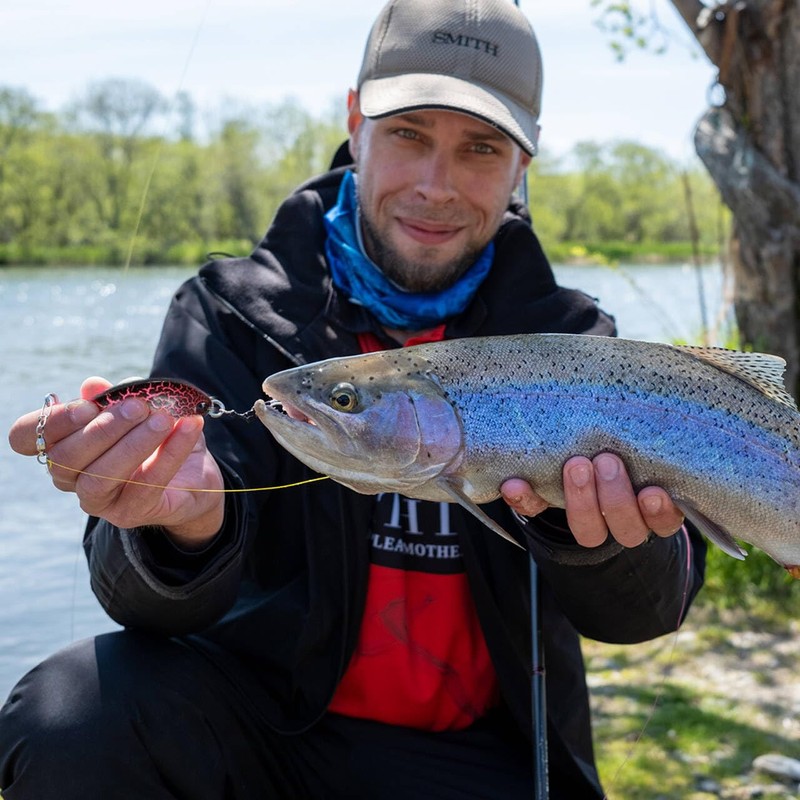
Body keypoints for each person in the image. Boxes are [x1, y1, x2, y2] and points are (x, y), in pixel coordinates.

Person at [1, 0, 705, 797]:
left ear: (523, 166)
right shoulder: (230, 314)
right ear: (354, 122)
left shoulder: (576, 341)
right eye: (409, 134)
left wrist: (604, 541)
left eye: (480, 148)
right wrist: (184, 529)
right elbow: (144, 602)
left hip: (484, 756)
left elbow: (648, 614)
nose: (436, 187)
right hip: (269, 740)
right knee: (69, 710)